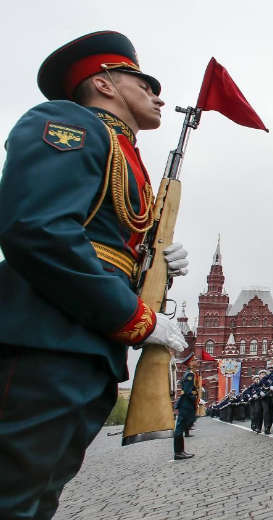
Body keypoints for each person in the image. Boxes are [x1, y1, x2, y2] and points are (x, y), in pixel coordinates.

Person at [0, 31, 191, 520]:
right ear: (104, 83)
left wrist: (153, 265)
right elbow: (38, 230)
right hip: (43, 342)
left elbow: (104, 244)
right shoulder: (69, 123)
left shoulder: (125, 151)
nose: (158, 94)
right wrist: (138, 317)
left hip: (85, 347)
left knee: (37, 494)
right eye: (145, 82)